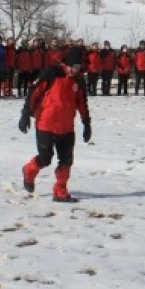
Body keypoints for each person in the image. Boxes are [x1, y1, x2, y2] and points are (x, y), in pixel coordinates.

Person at [18, 50, 93, 203]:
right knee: (45, 158)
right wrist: (26, 114)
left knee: (66, 160)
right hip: (46, 123)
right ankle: (29, 170)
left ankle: (60, 191)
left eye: (78, 67)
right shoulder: (51, 73)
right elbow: (34, 92)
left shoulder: (79, 80)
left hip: (66, 127)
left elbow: (82, 102)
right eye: (72, 67)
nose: (74, 70)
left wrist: (86, 123)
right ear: (66, 64)